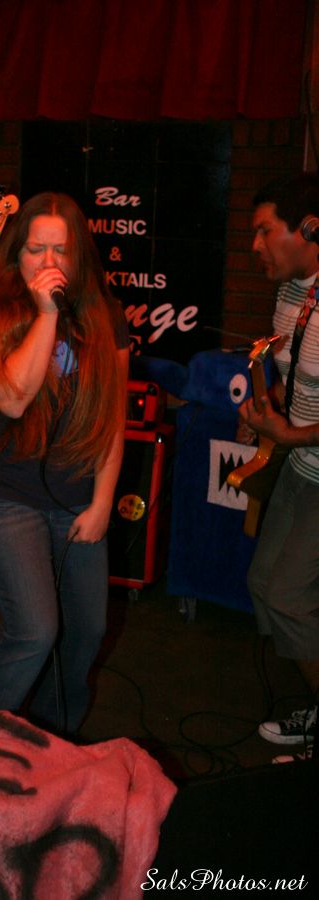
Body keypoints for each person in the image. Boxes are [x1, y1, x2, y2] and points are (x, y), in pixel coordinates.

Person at [0, 191, 129, 736]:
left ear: (79, 256)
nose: (48, 262)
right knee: (33, 630)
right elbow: (11, 397)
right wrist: (46, 314)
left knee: (86, 632)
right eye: (35, 249)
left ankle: (50, 744)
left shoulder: (104, 315)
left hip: (73, 494)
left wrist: (103, 503)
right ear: (15, 252)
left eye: (60, 250)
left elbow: (112, 417)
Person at [238, 172, 319, 756]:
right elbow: (289, 374)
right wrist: (265, 412)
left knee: (288, 597)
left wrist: (289, 434)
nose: (255, 245)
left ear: (310, 228)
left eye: (266, 231)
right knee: (264, 584)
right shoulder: (291, 293)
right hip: (300, 464)